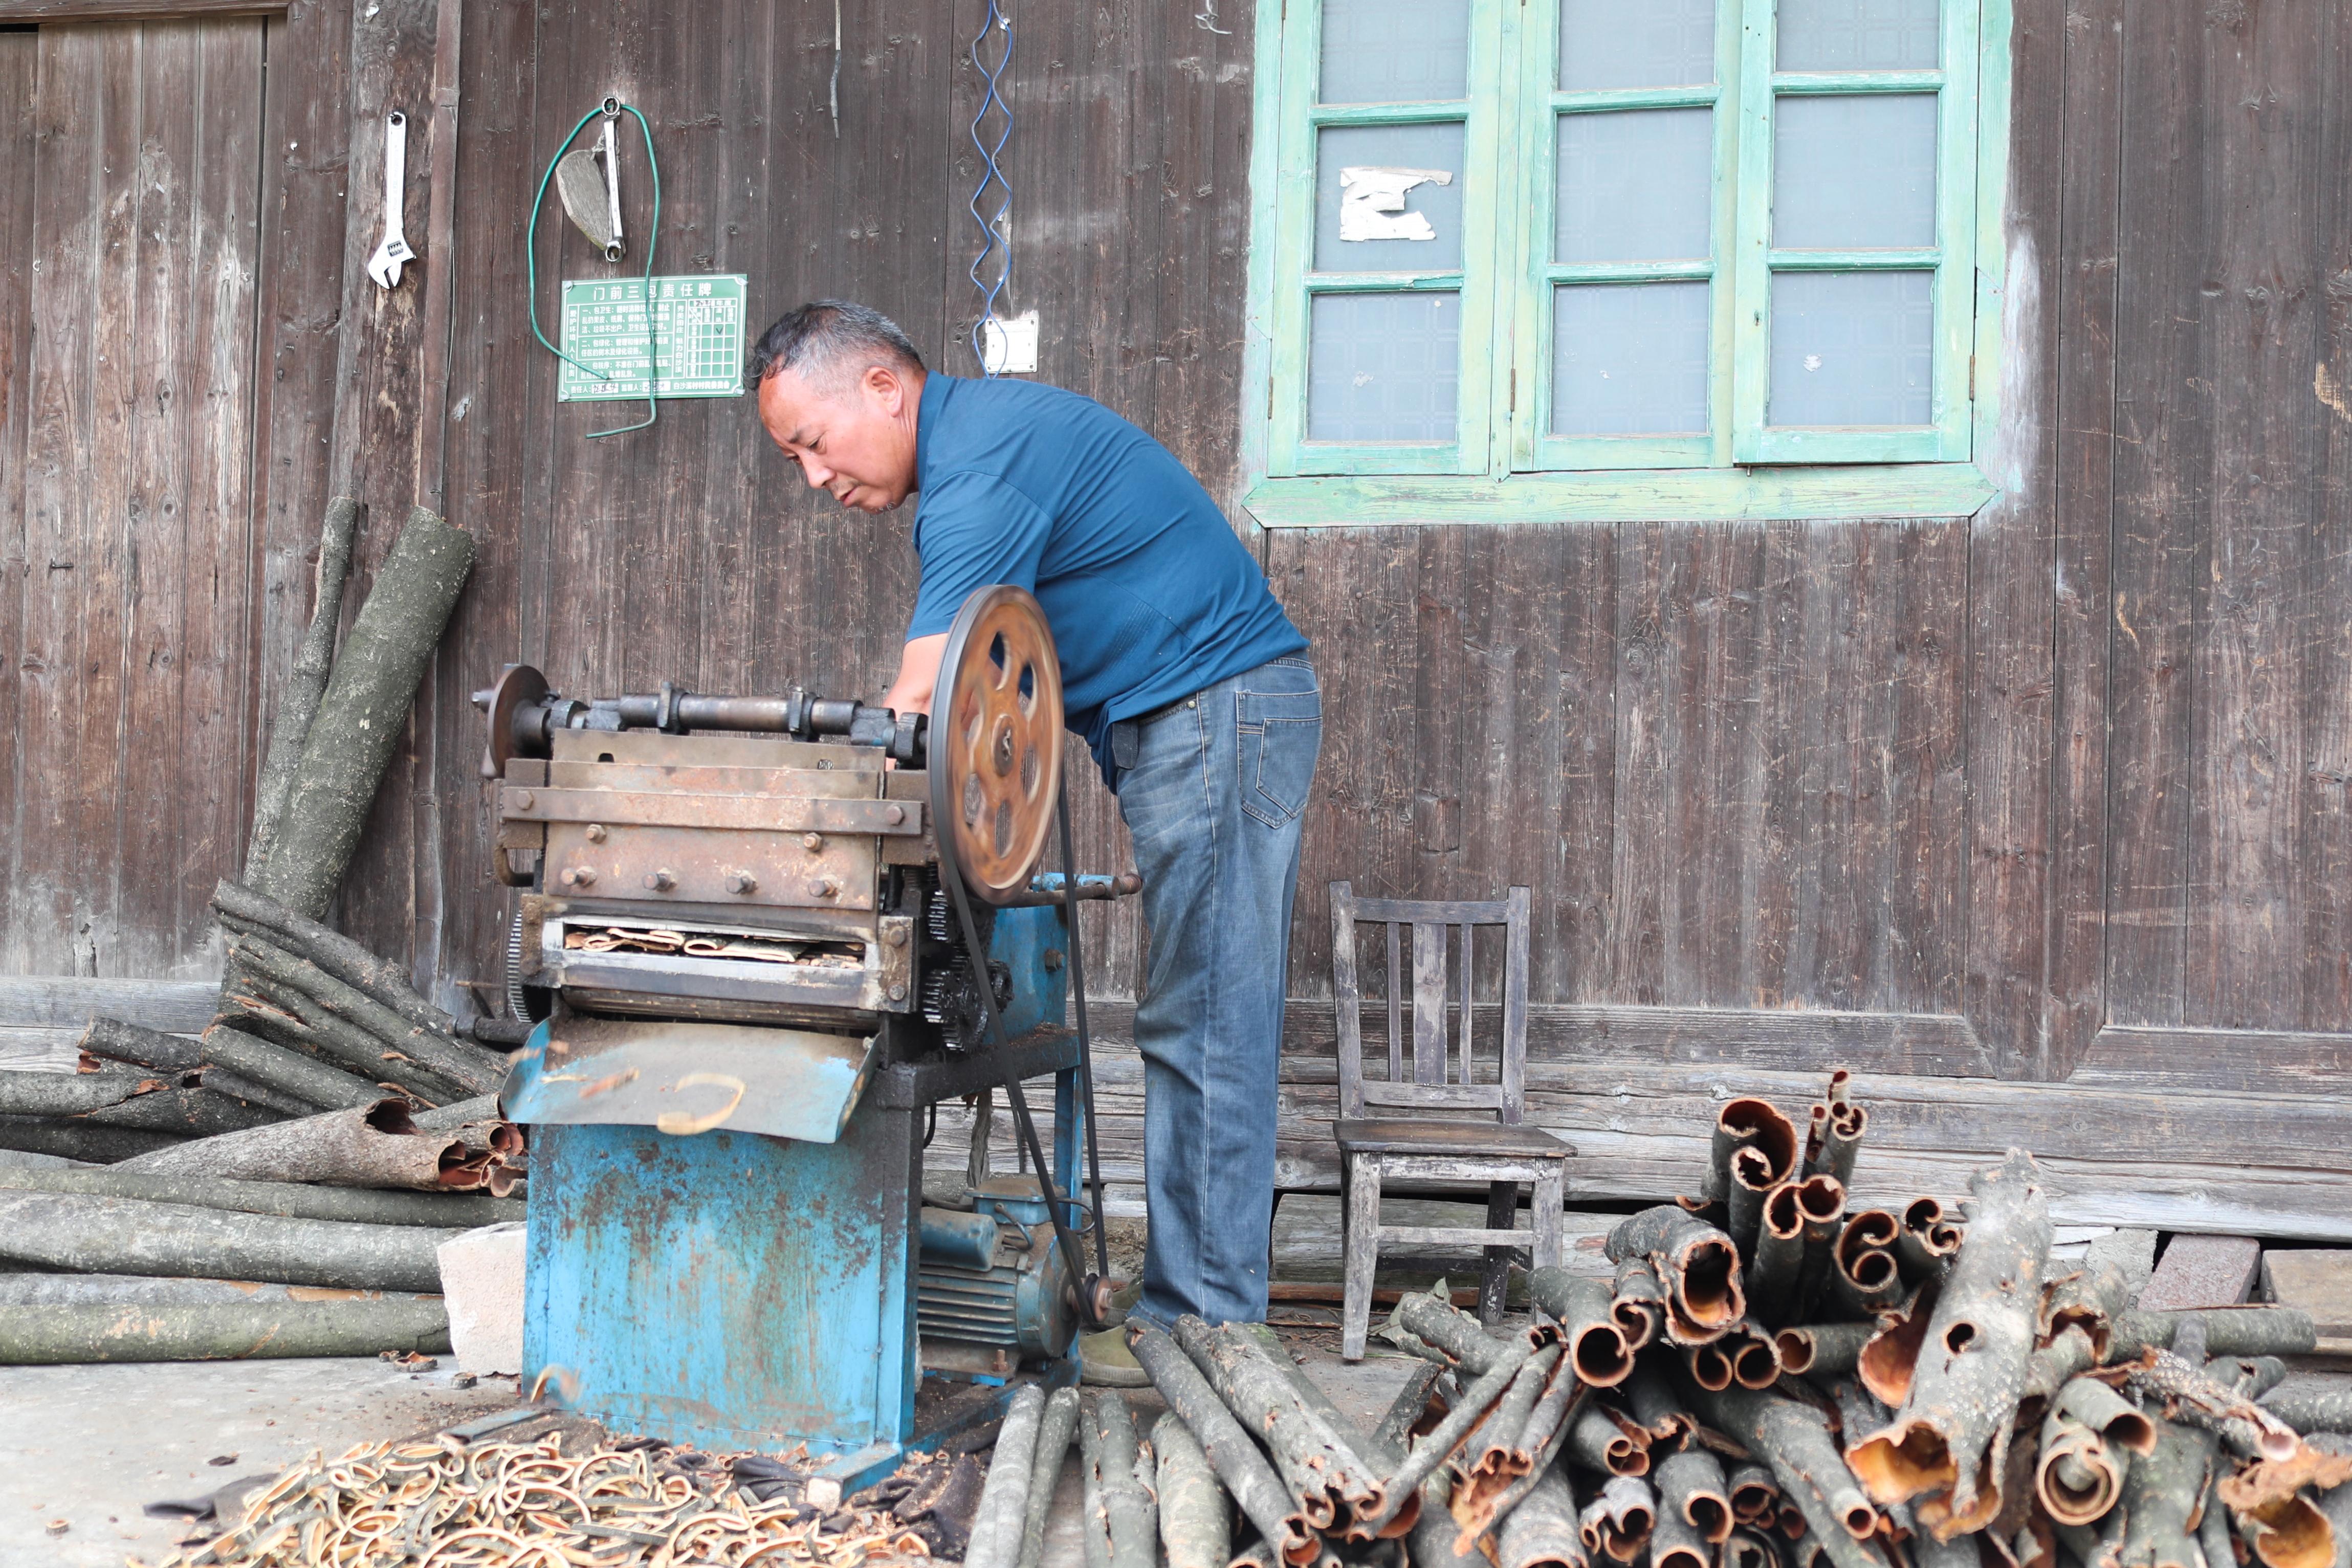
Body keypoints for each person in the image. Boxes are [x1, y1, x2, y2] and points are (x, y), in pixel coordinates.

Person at [748, 300, 1320, 1383]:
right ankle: (1192, 1316)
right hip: (1192, 722)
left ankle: (1207, 1330)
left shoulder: (979, 475)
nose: (815, 481)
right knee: (1191, 1016)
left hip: (1221, 714)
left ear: (884, 387)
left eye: (812, 447)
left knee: (1207, 1020)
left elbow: (918, 713)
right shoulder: (979, 447)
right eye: (796, 461)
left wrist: (798, 833)